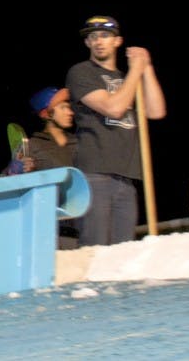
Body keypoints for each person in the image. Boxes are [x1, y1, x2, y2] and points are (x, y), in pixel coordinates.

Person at [66, 15, 166, 247]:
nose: (99, 41)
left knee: (123, 251)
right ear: (87, 43)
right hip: (95, 173)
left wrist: (146, 68)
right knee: (96, 248)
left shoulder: (127, 79)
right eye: (93, 37)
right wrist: (135, 73)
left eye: (105, 36)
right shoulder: (81, 73)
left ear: (117, 41)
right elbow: (114, 108)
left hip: (127, 176)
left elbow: (157, 111)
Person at [26, 86, 79, 248]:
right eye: (63, 107)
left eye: (69, 107)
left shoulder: (81, 142)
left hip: (82, 227)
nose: (70, 112)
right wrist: (22, 170)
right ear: (46, 113)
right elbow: (9, 178)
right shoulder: (32, 146)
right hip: (48, 231)